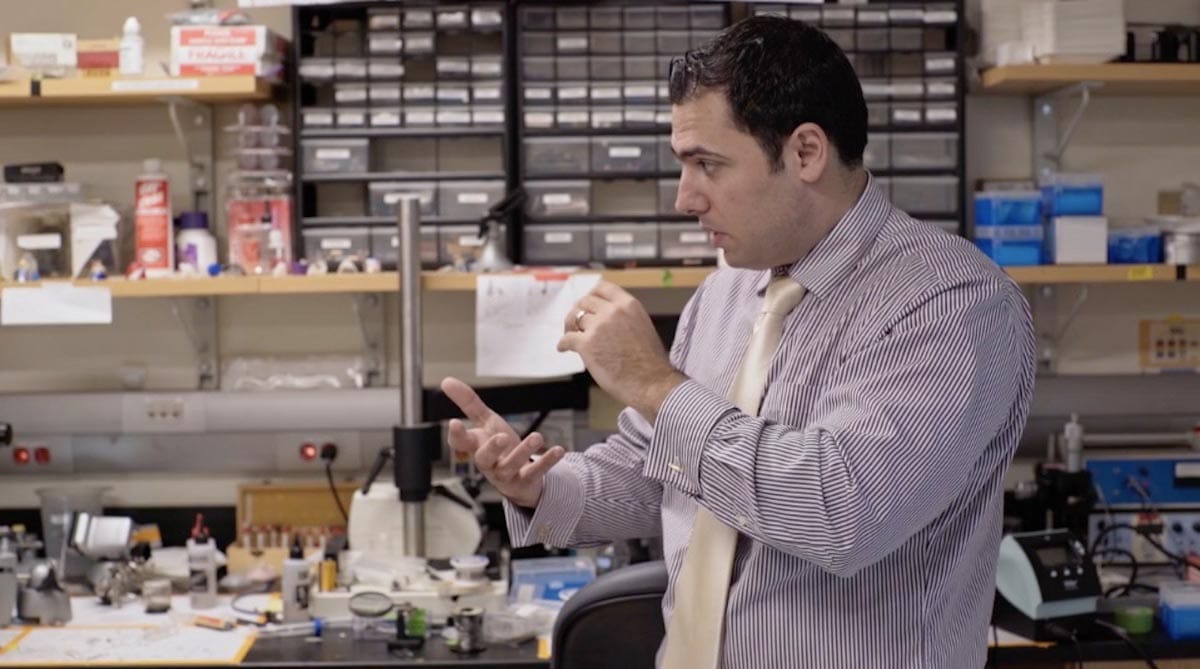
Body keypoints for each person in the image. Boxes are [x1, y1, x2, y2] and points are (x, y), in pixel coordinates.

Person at [441, 15, 1036, 669]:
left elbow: (841, 512)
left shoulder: (951, 302)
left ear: (806, 152)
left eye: (708, 164)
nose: (684, 198)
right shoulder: (727, 291)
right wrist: (538, 486)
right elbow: (664, 470)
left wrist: (655, 385)